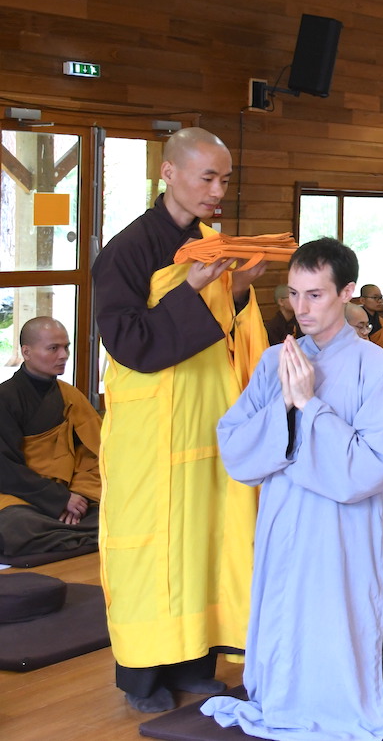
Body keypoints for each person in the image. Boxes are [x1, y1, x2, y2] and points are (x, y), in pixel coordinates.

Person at [207, 239, 383, 740]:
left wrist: (309, 406)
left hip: (343, 526)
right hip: (284, 519)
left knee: (337, 620)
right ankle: (284, 692)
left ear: (346, 292)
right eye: (295, 294)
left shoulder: (380, 368)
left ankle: (339, 695)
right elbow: (234, 446)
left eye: (315, 294)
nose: (302, 308)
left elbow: (369, 470)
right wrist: (285, 406)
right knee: (285, 611)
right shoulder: (275, 362)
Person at [92, 126, 266, 712]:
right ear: (168, 173)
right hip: (151, 422)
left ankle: (195, 663)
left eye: (225, 180)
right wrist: (190, 289)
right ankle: (143, 678)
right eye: (207, 177)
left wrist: (237, 289)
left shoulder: (213, 242)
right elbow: (127, 341)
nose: (217, 191)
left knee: (205, 538)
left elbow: (228, 327)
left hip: (206, 411)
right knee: (150, 546)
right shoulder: (126, 249)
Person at [0, 317, 100, 556]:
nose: (64, 355)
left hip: (73, 491)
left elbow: (94, 453)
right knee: (17, 525)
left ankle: (65, 534)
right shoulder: (6, 397)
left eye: (66, 347)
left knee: (123, 508)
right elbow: (5, 469)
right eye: (53, 348)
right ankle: (81, 535)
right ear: (26, 352)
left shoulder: (71, 396)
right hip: (23, 495)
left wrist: (79, 495)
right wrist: (58, 499)